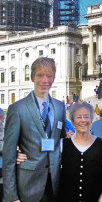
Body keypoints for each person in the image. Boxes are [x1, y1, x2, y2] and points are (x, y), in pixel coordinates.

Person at [3, 57, 66, 202]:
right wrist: (11, 197)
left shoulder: (60, 107)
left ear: (54, 78)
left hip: (54, 183)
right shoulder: (17, 109)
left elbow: (60, 139)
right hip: (27, 186)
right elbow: (8, 156)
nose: (45, 80)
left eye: (49, 76)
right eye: (40, 75)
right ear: (32, 77)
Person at [17, 102, 102, 202]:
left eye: (86, 117)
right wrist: (18, 152)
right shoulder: (62, 144)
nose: (83, 120)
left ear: (91, 120)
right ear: (72, 122)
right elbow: (38, 153)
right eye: (78, 117)